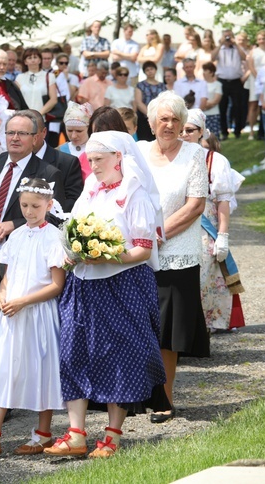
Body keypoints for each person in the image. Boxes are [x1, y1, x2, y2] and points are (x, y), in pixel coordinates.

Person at [46, 130, 168, 459]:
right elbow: (75, 228)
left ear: (119, 157)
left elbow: (143, 250)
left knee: (118, 357)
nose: (93, 165)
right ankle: (75, 433)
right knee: (73, 351)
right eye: (90, 160)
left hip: (122, 283)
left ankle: (112, 435)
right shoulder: (91, 190)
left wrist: (107, 256)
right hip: (84, 284)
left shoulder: (134, 194)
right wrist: (73, 251)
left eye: (99, 159)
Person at [0, 114, 66, 419]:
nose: (15, 138)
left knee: (16, 330)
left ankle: (13, 393)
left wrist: (14, 222)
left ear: (35, 137)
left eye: (22, 133)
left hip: (18, 257)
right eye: (10, 133)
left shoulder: (47, 171)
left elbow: (50, 212)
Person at [0, 177, 66, 456]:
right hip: (13, 313)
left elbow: (56, 285)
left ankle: (43, 433)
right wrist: (2, 294)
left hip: (38, 313)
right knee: (5, 368)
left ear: (48, 205)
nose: (29, 211)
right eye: (24, 205)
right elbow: (7, 275)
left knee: (41, 368)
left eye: (35, 206)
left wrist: (24, 300)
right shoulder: (17, 235)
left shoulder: (53, 237)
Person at [137, 91, 209, 423]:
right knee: (140, 326)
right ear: (151, 122)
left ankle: (164, 398)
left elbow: (195, 205)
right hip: (137, 252)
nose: (169, 125)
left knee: (166, 332)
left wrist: (158, 235)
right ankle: (138, 394)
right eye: (163, 118)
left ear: (183, 124)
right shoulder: (137, 152)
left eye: (175, 119)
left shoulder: (194, 153)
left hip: (176, 253)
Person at [181, 110, 245, 333]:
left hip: (204, 229)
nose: (184, 134)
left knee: (206, 276)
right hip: (176, 227)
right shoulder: (171, 157)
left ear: (201, 132)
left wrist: (223, 236)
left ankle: (206, 325)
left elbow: (223, 201)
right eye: (181, 130)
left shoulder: (214, 160)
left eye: (190, 130)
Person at [212, 29, 248, 140]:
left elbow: (244, 57)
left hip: (236, 81)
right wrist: (220, 44)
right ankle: (224, 132)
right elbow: (212, 58)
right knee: (222, 107)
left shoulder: (237, 48)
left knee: (238, 106)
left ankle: (237, 131)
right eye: (225, 36)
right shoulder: (220, 49)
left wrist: (235, 43)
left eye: (229, 36)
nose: (227, 39)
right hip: (222, 81)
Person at [15, 48, 57, 116]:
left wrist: (39, 114)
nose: (33, 60)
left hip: (42, 117)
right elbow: (17, 99)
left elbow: (53, 99)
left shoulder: (50, 76)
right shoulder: (20, 77)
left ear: (40, 60)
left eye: (35, 57)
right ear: (25, 61)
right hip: (24, 117)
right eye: (29, 58)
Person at [59, 102, 93, 180]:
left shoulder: (98, 150)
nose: (73, 136)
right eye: (69, 130)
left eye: (79, 131)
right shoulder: (59, 151)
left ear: (89, 128)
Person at [201, 62, 223, 138]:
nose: (203, 73)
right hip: (202, 115)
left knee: (214, 137)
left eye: (205, 70)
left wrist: (204, 105)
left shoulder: (217, 84)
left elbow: (216, 100)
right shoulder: (200, 84)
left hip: (213, 114)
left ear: (211, 72)